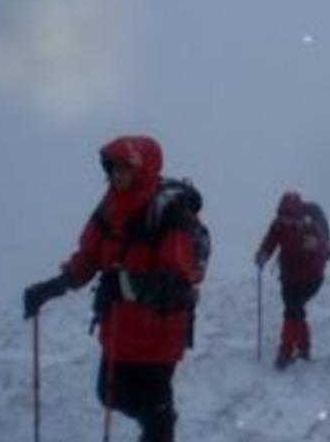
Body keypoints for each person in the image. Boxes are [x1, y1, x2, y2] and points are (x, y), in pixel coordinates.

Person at [23, 135, 208, 442]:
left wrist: (122, 286)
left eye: (126, 167)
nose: (117, 174)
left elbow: (176, 285)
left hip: (158, 337)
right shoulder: (109, 208)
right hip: (119, 331)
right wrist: (50, 289)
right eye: (113, 167)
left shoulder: (169, 214)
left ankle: (161, 425)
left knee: (155, 414)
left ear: (144, 169)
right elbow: (88, 259)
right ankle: (160, 422)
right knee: (109, 394)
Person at [255, 191, 330, 369]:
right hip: (288, 278)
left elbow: (325, 251)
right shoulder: (279, 225)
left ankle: (286, 351)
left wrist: (315, 247)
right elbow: (270, 242)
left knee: (292, 311)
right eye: (282, 215)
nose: (285, 220)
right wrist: (263, 255)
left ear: (297, 214)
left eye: (289, 216)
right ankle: (304, 348)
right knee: (296, 311)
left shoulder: (310, 226)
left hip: (311, 279)